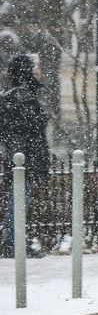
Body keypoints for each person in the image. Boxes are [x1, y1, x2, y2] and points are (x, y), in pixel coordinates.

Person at [0, 54, 51, 258]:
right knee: (20, 200)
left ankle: (14, 240)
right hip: (23, 159)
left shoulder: (11, 95)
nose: (38, 72)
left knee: (19, 199)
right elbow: (29, 129)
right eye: (35, 68)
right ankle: (13, 241)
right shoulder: (23, 97)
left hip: (18, 157)